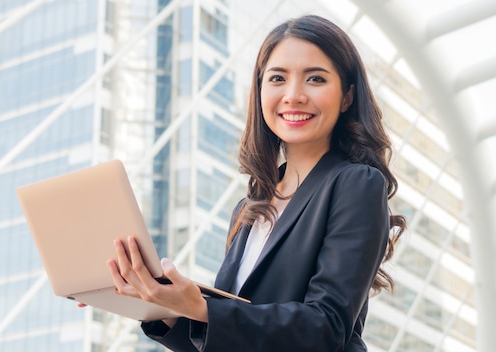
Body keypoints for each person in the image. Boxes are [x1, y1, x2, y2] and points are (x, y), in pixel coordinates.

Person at [105, 14, 406, 351]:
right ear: (260, 90)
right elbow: (232, 337)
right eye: (277, 78)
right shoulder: (248, 209)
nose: (293, 95)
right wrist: (157, 304)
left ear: (347, 96)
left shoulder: (356, 183)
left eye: (315, 79)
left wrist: (202, 307)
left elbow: (326, 328)